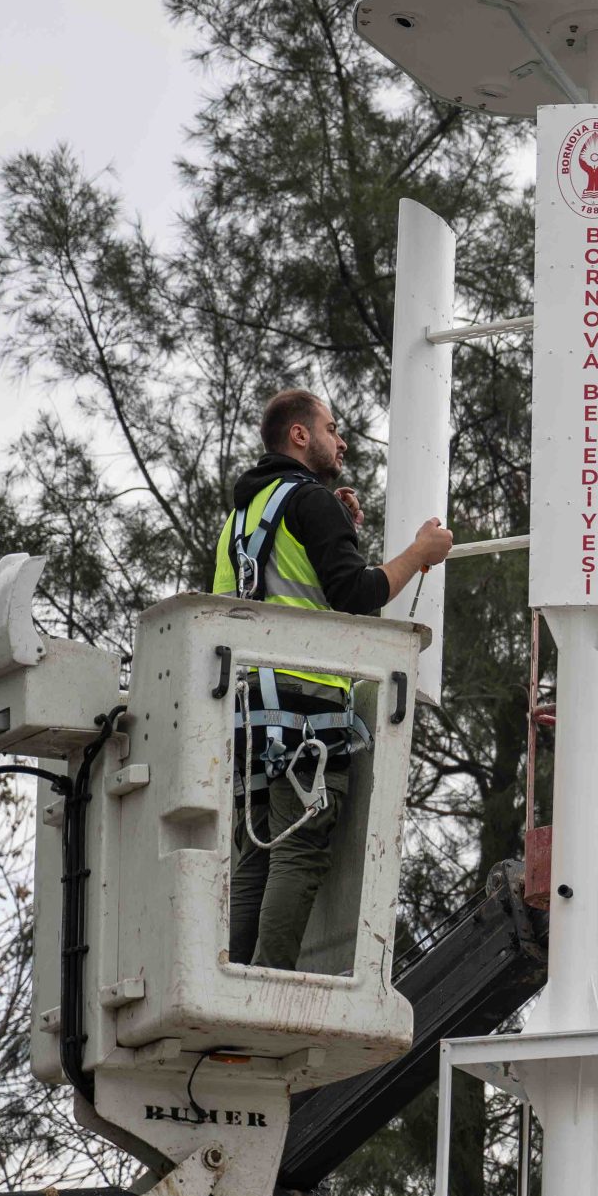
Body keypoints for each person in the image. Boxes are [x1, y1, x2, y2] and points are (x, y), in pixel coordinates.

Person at [213, 387, 453, 969]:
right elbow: (356, 595)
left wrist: (333, 523)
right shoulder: (308, 502)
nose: (341, 440)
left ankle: (229, 982)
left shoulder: (241, 519)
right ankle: (264, 991)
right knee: (297, 854)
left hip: (246, 718)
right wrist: (421, 553)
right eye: (331, 428)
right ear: (300, 434)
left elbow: (258, 600)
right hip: (305, 714)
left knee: (255, 859)